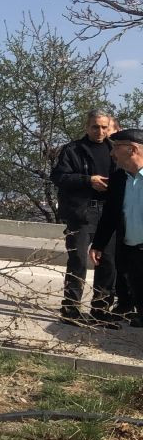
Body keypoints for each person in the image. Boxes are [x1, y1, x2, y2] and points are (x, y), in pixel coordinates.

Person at [51, 109, 120, 327]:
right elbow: (59, 177)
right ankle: (70, 309)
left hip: (108, 214)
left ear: (109, 127)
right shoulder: (73, 150)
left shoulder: (115, 150)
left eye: (104, 127)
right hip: (81, 214)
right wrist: (87, 180)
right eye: (95, 127)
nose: (100, 131)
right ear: (87, 127)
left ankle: (100, 310)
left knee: (108, 263)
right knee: (78, 261)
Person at [90, 129, 143, 328]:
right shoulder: (120, 179)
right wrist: (98, 244)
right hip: (130, 246)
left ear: (132, 149)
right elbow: (110, 215)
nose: (112, 154)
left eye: (116, 148)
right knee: (137, 289)